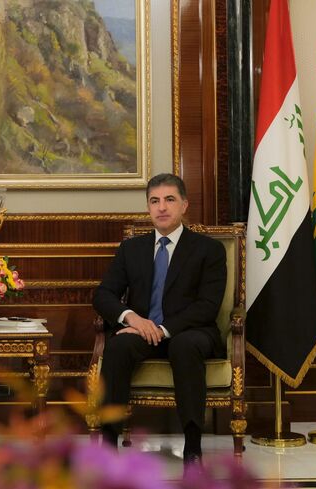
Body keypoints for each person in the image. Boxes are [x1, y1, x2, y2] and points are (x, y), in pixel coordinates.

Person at [92, 173, 227, 469]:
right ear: (148, 207)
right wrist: (132, 318)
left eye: (169, 200)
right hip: (143, 331)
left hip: (191, 332)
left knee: (184, 346)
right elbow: (103, 295)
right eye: (154, 201)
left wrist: (163, 329)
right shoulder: (132, 249)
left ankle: (192, 447)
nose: (161, 207)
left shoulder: (209, 249)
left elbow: (207, 306)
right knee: (117, 347)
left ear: (184, 205)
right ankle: (108, 444)